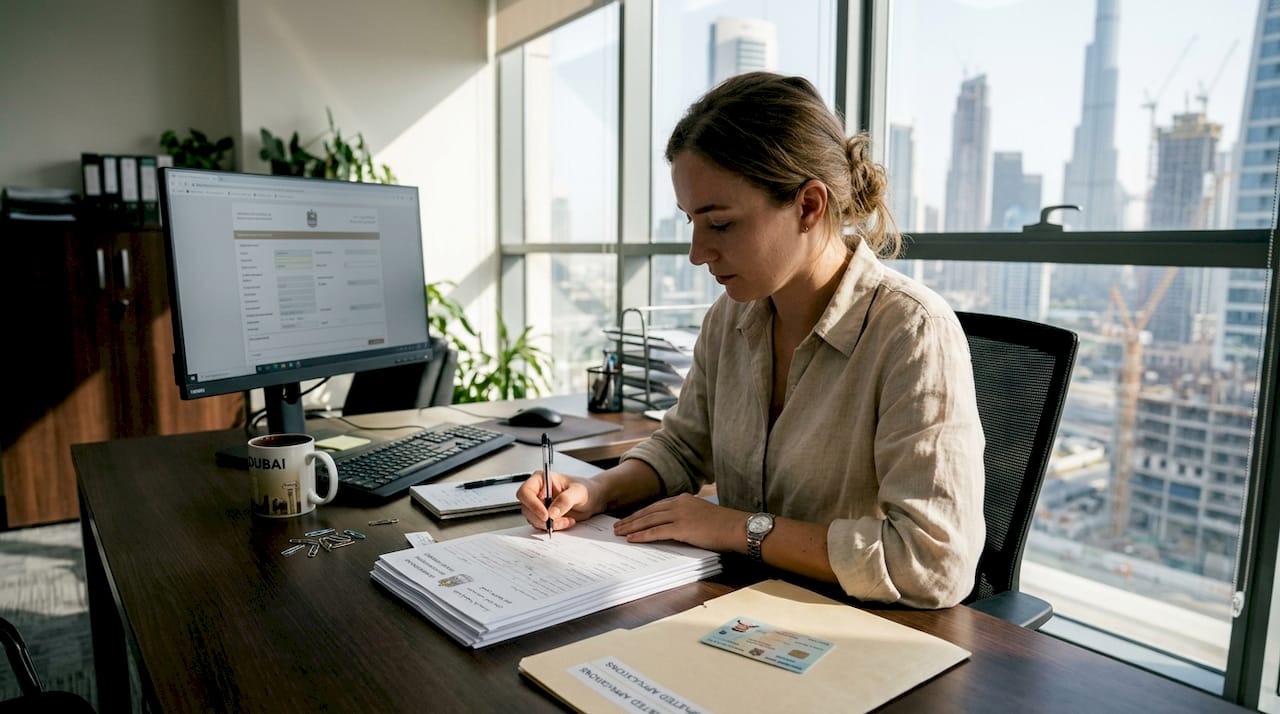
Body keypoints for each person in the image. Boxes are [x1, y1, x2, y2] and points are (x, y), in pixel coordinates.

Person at [517, 72, 985, 609]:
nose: (696, 253)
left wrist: (736, 528)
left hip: (860, 631)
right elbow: (682, 447)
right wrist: (598, 490)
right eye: (691, 222)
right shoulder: (731, 318)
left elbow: (933, 563)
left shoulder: (912, 333)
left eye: (719, 224)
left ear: (809, 206)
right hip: (742, 610)